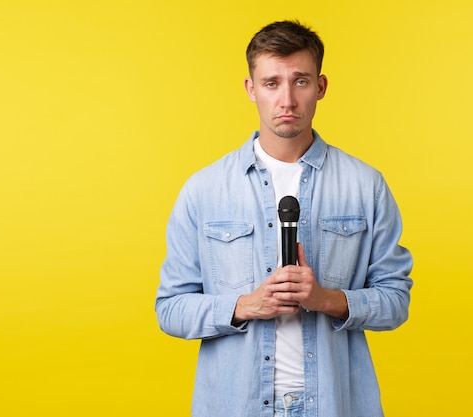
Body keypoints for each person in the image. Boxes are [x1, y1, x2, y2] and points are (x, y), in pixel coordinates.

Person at [156, 20, 414, 417]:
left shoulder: (366, 186)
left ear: (321, 87)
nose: (287, 100)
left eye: (300, 81)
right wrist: (245, 305)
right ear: (251, 89)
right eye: (272, 83)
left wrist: (325, 299)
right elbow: (170, 308)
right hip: (235, 405)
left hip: (333, 403)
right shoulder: (204, 190)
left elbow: (396, 300)